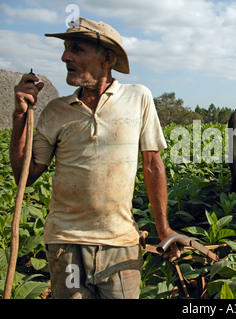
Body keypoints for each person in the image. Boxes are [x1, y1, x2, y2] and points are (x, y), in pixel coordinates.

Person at [10, 17, 181, 299]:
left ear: (107, 58)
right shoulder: (56, 110)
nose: (65, 57)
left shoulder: (138, 98)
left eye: (76, 49)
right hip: (65, 245)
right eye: (65, 49)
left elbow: (152, 165)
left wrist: (164, 229)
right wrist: (19, 117)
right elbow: (24, 178)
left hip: (120, 244)